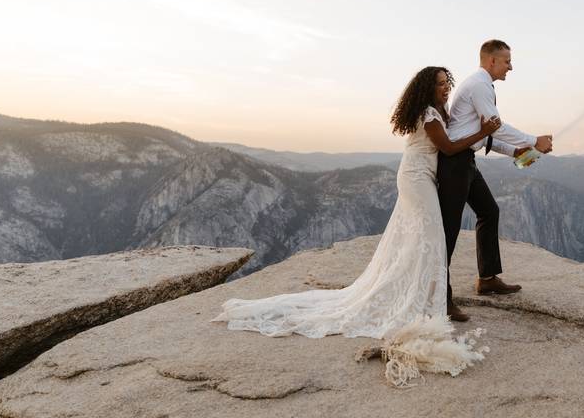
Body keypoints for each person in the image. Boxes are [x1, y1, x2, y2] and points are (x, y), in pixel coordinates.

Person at [212, 66, 500, 343]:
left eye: (446, 82)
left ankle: (431, 296)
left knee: (425, 240)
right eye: (439, 83)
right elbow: (448, 148)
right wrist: (482, 131)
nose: (445, 87)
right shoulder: (428, 114)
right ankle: (436, 300)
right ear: (428, 88)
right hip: (416, 178)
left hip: (422, 176)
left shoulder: (440, 112)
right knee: (433, 238)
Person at [437, 40, 553, 322]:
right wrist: (532, 140)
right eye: (506, 61)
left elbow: (486, 133)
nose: (510, 66)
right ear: (491, 61)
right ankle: (441, 299)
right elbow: (495, 124)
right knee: (448, 232)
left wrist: (517, 150)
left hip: (466, 162)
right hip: (454, 164)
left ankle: (487, 278)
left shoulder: (481, 86)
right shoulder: (479, 85)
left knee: (489, 211)